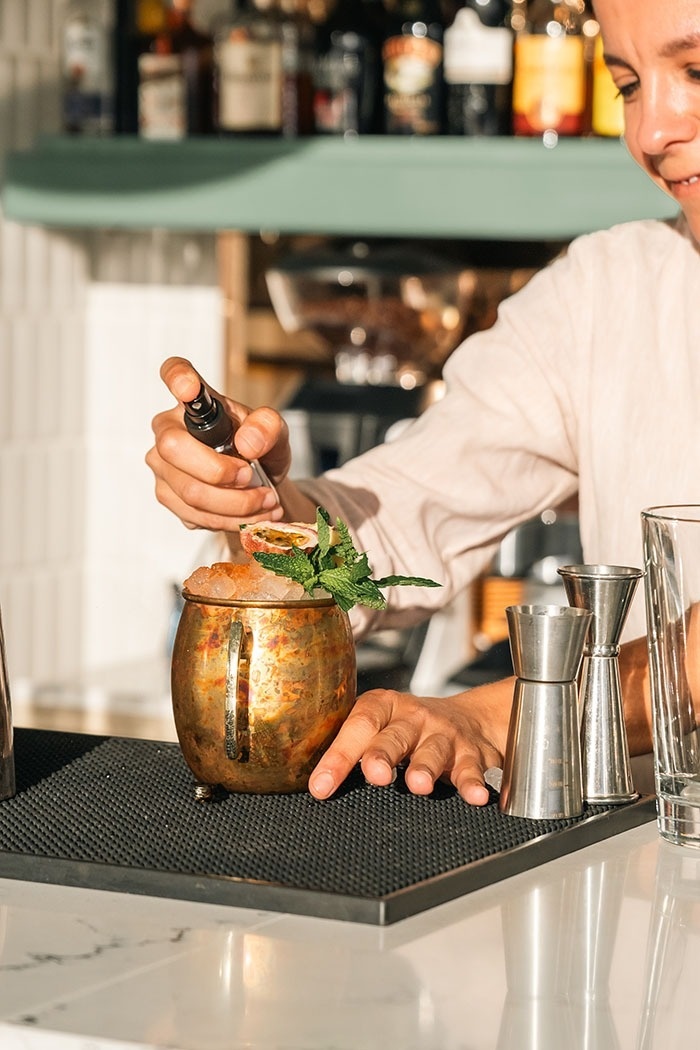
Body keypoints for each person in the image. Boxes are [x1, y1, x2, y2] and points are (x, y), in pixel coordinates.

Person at [147, 0, 699, 805]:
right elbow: (414, 508)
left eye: (694, 71)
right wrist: (261, 504)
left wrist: (495, 714)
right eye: (627, 85)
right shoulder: (611, 293)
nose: (651, 131)